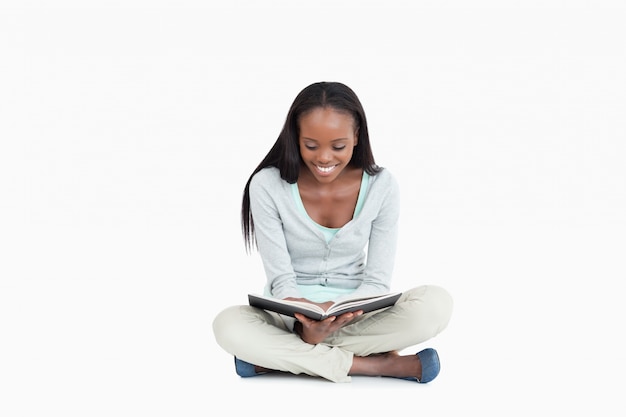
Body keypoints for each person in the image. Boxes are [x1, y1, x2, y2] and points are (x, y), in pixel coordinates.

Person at [212, 81, 453, 383]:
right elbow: (282, 281)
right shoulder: (267, 185)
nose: (324, 158)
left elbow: (377, 280)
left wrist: (336, 320)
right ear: (296, 138)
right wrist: (305, 325)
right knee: (228, 326)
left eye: (337, 146)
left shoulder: (382, 186)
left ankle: (280, 359)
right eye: (311, 145)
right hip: (289, 318)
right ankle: (378, 365)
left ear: (356, 136)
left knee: (437, 305)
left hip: (359, 318)